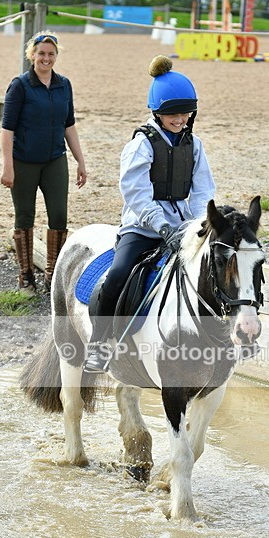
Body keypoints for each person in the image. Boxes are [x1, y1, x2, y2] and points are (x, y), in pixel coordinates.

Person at [83, 54, 216, 373]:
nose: (180, 118)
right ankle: (100, 342)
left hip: (183, 227)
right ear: (157, 111)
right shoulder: (141, 145)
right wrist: (161, 225)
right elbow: (136, 194)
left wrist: (200, 225)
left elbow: (203, 190)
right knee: (118, 274)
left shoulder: (194, 145)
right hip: (142, 228)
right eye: (173, 113)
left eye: (185, 112)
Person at [0, 31, 87, 291]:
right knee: (25, 216)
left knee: (59, 215)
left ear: (56, 56)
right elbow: (7, 130)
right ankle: (26, 275)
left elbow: (68, 125)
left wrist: (81, 161)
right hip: (24, 161)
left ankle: (53, 274)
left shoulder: (64, 85)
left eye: (50, 54)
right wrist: (8, 167)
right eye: (41, 54)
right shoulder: (20, 85)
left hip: (54, 160)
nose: (45, 58)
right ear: (32, 55)